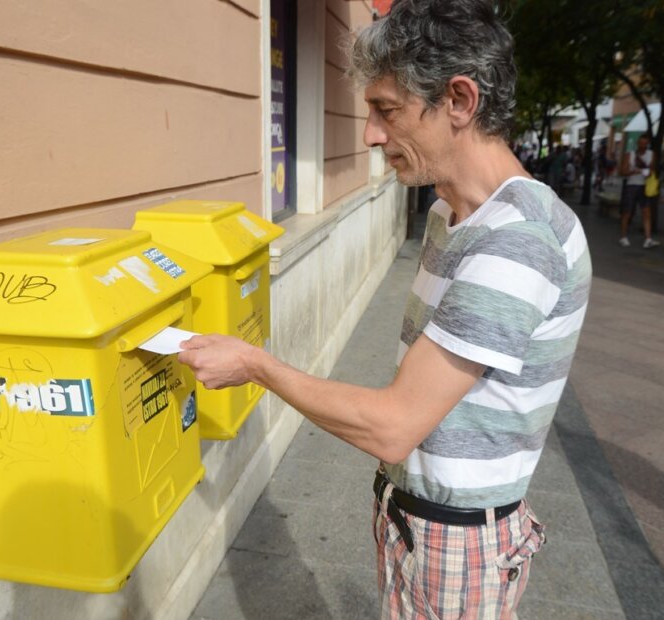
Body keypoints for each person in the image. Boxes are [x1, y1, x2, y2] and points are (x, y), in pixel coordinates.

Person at [178, 1, 592, 617]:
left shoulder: (515, 243)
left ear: (459, 100)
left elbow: (394, 427)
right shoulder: (450, 212)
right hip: (415, 518)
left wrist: (256, 366)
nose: (371, 134)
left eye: (387, 110)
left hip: (457, 543)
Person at [618, 134, 660, 248]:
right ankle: (623, 237)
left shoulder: (651, 154)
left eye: (645, 144)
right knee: (627, 212)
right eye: (641, 143)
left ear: (648, 144)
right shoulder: (630, 155)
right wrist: (634, 172)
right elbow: (622, 171)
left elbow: (652, 170)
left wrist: (648, 172)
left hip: (645, 187)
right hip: (631, 185)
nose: (643, 146)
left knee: (646, 212)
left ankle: (648, 239)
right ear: (637, 143)